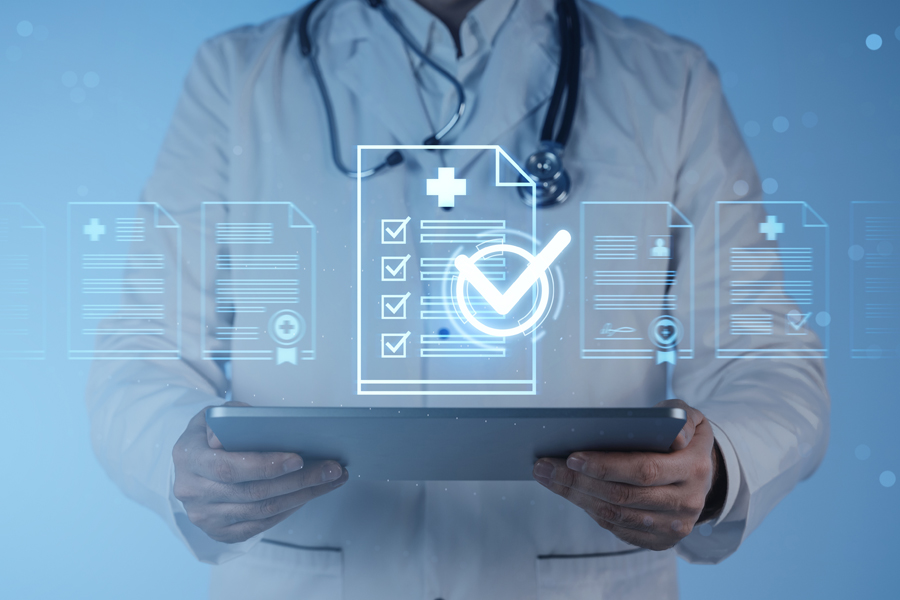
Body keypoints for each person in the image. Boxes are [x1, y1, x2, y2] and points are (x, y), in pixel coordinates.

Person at [85, 0, 830, 598]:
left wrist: (717, 468)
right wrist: (177, 460)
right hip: (306, 576)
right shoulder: (237, 78)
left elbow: (764, 355)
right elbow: (145, 346)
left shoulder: (668, 83)